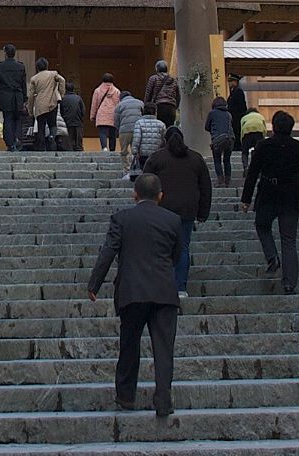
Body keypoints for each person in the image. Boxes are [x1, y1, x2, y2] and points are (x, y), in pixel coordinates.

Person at [87, 174, 183, 418]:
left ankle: (126, 396)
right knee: (164, 348)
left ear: (135, 194)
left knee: (129, 345)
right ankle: (163, 399)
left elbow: (108, 251)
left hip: (132, 290)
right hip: (164, 290)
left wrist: (94, 284)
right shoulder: (173, 220)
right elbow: (177, 254)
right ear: (161, 195)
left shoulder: (122, 218)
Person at [240, 110, 299, 294]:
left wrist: (246, 199)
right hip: (291, 196)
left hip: (268, 193)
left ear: (273, 127)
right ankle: (289, 283)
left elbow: (252, 173)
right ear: (291, 128)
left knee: (262, 225)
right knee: (289, 240)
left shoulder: (263, 146)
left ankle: (272, 257)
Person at [144, 126, 212, 300]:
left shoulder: (156, 158)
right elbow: (205, 187)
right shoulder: (196, 159)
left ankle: (161, 285)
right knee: (182, 248)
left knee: (161, 248)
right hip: (187, 209)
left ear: (165, 140)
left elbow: (145, 184)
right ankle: (180, 287)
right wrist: (203, 212)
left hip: (161, 209)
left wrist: (145, 208)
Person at [0, 44, 29, 151]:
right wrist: (25, 99)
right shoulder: (21, 66)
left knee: (7, 119)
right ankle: (17, 139)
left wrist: (1, 89)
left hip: (5, 96)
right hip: (18, 96)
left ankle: (9, 143)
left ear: (5, 54)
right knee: (18, 119)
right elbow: (23, 84)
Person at [27, 57, 64, 152]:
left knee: (41, 126)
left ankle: (41, 147)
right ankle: (52, 136)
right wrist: (61, 93)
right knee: (53, 124)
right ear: (47, 66)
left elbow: (31, 96)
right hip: (52, 103)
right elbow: (62, 80)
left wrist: (30, 110)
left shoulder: (34, 79)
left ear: (37, 67)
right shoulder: (53, 74)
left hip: (40, 105)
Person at [127, 101, 166, 178]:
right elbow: (163, 140)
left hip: (143, 154)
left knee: (143, 173)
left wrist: (135, 152)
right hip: (156, 154)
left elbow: (136, 139)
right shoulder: (161, 124)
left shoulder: (139, 123)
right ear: (155, 112)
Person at [205, 98, 236, 187]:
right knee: (227, 160)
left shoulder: (212, 113)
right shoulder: (228, 114)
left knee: (217, 160)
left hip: (218, 139)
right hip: (230, 139)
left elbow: (206, 127)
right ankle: (228, 181)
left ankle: (221, 181)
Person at [91, 74, 123, 153]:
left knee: (102, 132)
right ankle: (112, 149)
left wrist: (92, 115)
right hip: (113, 114)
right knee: (113, 133)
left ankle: (104, 148)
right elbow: (118, 104)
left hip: (101, 113)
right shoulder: (116, 91)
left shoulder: (97, 90)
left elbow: (94, 104)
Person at [238, 103, 268, 175]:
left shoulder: (244, 117)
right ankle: (257, 168)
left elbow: (242, 129)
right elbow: (264, 128)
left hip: (247, 132)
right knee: (258, 151)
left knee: (245, 152)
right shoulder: (260, 116)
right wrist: (263, 139)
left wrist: (242, 141)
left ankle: (245, 167)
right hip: (259, 132)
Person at [113, 88, 144, 155]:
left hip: (124, 130)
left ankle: (126, 165)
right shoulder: (140, 103)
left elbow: (116, 120)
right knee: (136, 151)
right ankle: (135, 164)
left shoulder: (119, 105)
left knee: (124, 151)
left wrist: (118, 130)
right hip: (137, 129)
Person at [60, 80, 86, 152]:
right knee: (78, 142)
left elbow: (61, 111)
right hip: (78, 121)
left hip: (67, 122)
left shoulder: (63, 99)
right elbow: (83, 111)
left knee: (69, 141)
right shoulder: (78, 98)